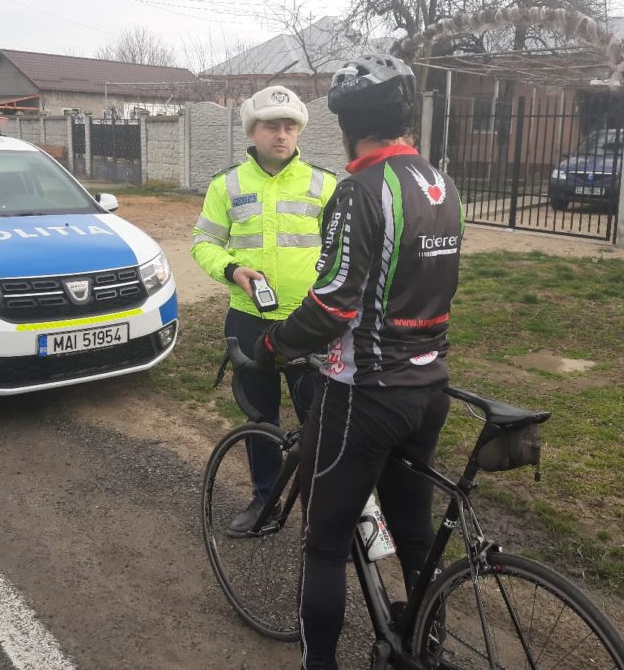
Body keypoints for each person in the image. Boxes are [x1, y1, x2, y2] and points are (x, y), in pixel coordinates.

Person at [255, 55, 465, 670]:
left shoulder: (360, 191)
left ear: (349, 125)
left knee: (323, 543)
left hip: (366, 393)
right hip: (430, 386)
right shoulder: (440, 183)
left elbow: (333, 303)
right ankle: (422, 650)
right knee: (415, 533)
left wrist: (273, 346)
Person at [191, 85, 337, 535]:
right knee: (259, 417)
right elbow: (203, 244)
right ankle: (265, 500)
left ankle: (325, 508)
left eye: (289, 126)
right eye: (271, 125)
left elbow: (342, 253)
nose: (282, 134)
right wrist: (232, 269)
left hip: (308, 320)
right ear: (251, 132)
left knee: (320, 416)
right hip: (249, 319)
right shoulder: (226, 184)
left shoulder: (324, 184)